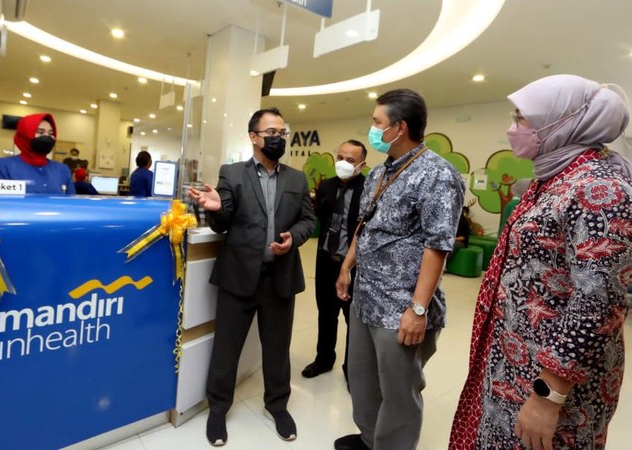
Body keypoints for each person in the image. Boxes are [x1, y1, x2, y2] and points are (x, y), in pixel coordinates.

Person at [449, 75, 632, 450]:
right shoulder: (555, 177)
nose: (513, 128)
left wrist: (548, 395)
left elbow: (597, 304)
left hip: (551, 382)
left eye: (522, 118)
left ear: (561, 122)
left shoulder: (600, 188)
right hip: (516, 362)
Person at [333, 89, 465, 450]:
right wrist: (346, 266)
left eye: (377, 122)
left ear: (399, 127)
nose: (372, 129)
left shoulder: (437, 175)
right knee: (362, 379)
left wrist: (418, 309)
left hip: (401, 308)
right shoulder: (379, 173)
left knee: (398, 392)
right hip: (365, 298)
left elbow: (438, 246)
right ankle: (368, 438)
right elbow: (365, 225)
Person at [187, 107, 315, 447]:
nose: (279, 138)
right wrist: (215, 209)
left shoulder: (297, 178)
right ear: (254, 137)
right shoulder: (232, 173)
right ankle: (218, 408)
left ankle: (277, 405)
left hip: (280, 278)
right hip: (239, 276)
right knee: (226, 348)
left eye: (282, 132)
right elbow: (223, 223)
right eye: (272, 132)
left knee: (277, 348)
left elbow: (307, 220)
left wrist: (293, 238)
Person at [301, 140, 367, 381]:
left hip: (354, 266)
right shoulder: (326, 186)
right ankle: (324, 359)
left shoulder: (368, 189)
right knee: (326, 314)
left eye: (350, 160)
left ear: (362, 164)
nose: (343, 163)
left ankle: (352, 369)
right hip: (326, 261)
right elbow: (320, 217)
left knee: (353, 320)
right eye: (340, 158)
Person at [0, 113, 75, 195]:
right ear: (25, 135)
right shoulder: (2, 166)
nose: (47, 136)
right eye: (40, 132)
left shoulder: (62, 169)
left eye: (51, 133)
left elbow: (72, 203)